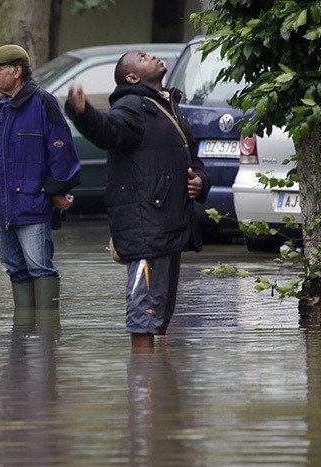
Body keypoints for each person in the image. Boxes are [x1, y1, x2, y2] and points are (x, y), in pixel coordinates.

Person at [65, 49, 211, 349]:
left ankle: (160, 388)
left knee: (161, 312)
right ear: (132, 77)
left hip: (169, 224)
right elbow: (109, 130)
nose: (153, 57)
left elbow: (192, 159)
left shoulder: (167, 106)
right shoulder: (132, 106)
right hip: (146, 225)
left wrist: (200, 181)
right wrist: (82, 113)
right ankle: (142, 387)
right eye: (143, 58)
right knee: (143, 317)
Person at [0, 44, 81, 310]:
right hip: (5, 208)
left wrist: (57, 192)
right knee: (14, 268)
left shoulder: (43, 102)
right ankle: (23, 340)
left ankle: (47, 340)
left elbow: (62, 151)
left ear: (17, 71)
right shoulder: (1, 107)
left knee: (40, 267)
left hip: (33, 205)